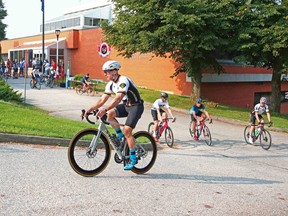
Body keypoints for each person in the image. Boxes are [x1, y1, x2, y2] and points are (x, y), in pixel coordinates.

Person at [84, 60, 144, 170]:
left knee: (127, 131)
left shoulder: (123, 81)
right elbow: (102, 100)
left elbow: (118, 99)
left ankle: (133, 158)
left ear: (114, 72)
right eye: (105, 72)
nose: (105, 74)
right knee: (109, 114)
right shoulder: (110, 84)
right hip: (126, 105)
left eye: (106, 72)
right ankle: (121, 139)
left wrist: (104, 109)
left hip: (136, 106)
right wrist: (90, 109)